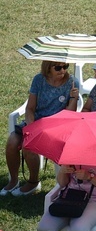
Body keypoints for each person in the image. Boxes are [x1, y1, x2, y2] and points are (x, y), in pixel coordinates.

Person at [2, 61, 79, 197]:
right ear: (48, 68)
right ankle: (14, 180)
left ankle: (33, 182)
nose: (63, 70)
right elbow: (30, 108)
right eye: (58, 67)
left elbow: (69, 114)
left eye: (65, 67)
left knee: (28, 146)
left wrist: (74, 98)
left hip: (56, 125)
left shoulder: (72, 82)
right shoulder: (39, 79)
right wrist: (31, 127)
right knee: (12, 142)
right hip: (35, 122)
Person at [37, 163, 96, 231]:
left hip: (94, 200)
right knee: (44, 228)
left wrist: (90, 177)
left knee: (78, 230)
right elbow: (62, 183)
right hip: (69, 197)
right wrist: (62, 171)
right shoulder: (71, 152)